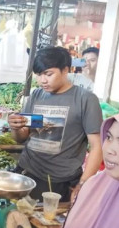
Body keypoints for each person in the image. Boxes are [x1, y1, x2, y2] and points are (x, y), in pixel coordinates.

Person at [8, 47, 103, 202]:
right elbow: (21, 138)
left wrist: (83, 183)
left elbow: (97, 146)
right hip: (27, 172)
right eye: (39, 75)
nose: (42, 80)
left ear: (65, 70)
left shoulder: (85, 99)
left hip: (59, 182)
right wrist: (16, 127)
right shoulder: (36, 95)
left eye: (48, 74)